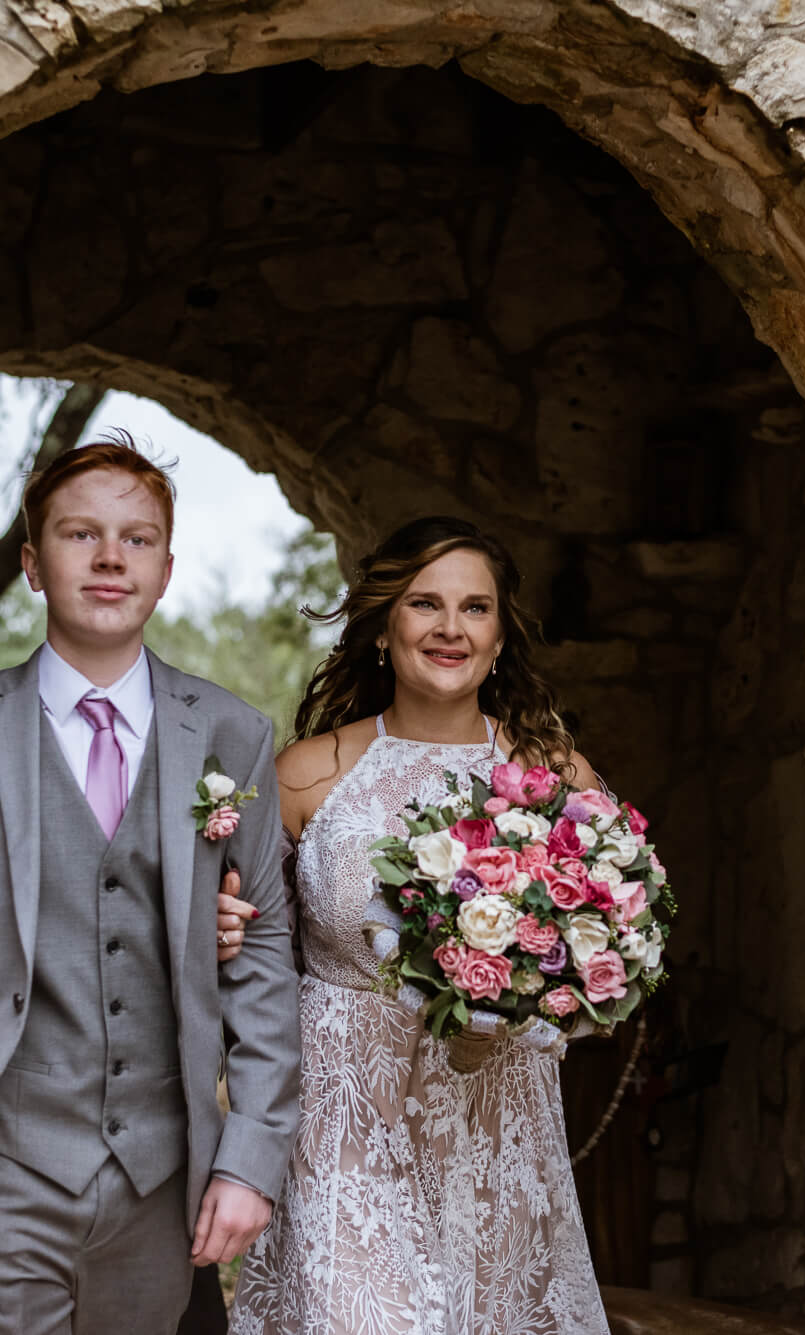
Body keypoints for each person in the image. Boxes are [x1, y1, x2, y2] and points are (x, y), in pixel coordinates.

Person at [0, 435, 301, 1334]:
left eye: (136, 539)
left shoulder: (230, 732)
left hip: (160, 1183)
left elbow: (266, 951)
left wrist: (249, 1156)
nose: (107, 557)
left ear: (166, 570)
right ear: (31, 563)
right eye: (79, 533)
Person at [220, 515, 610, 1334]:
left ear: (501, 635)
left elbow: (612, 936)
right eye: (425, 603)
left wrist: (538, 997)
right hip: (344, 1119)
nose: (449, 628)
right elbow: (249, 952)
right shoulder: (306, 774)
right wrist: (221, 927)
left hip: (498, 1122)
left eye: (475, 608)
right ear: (385, 624)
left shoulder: (551, 776)